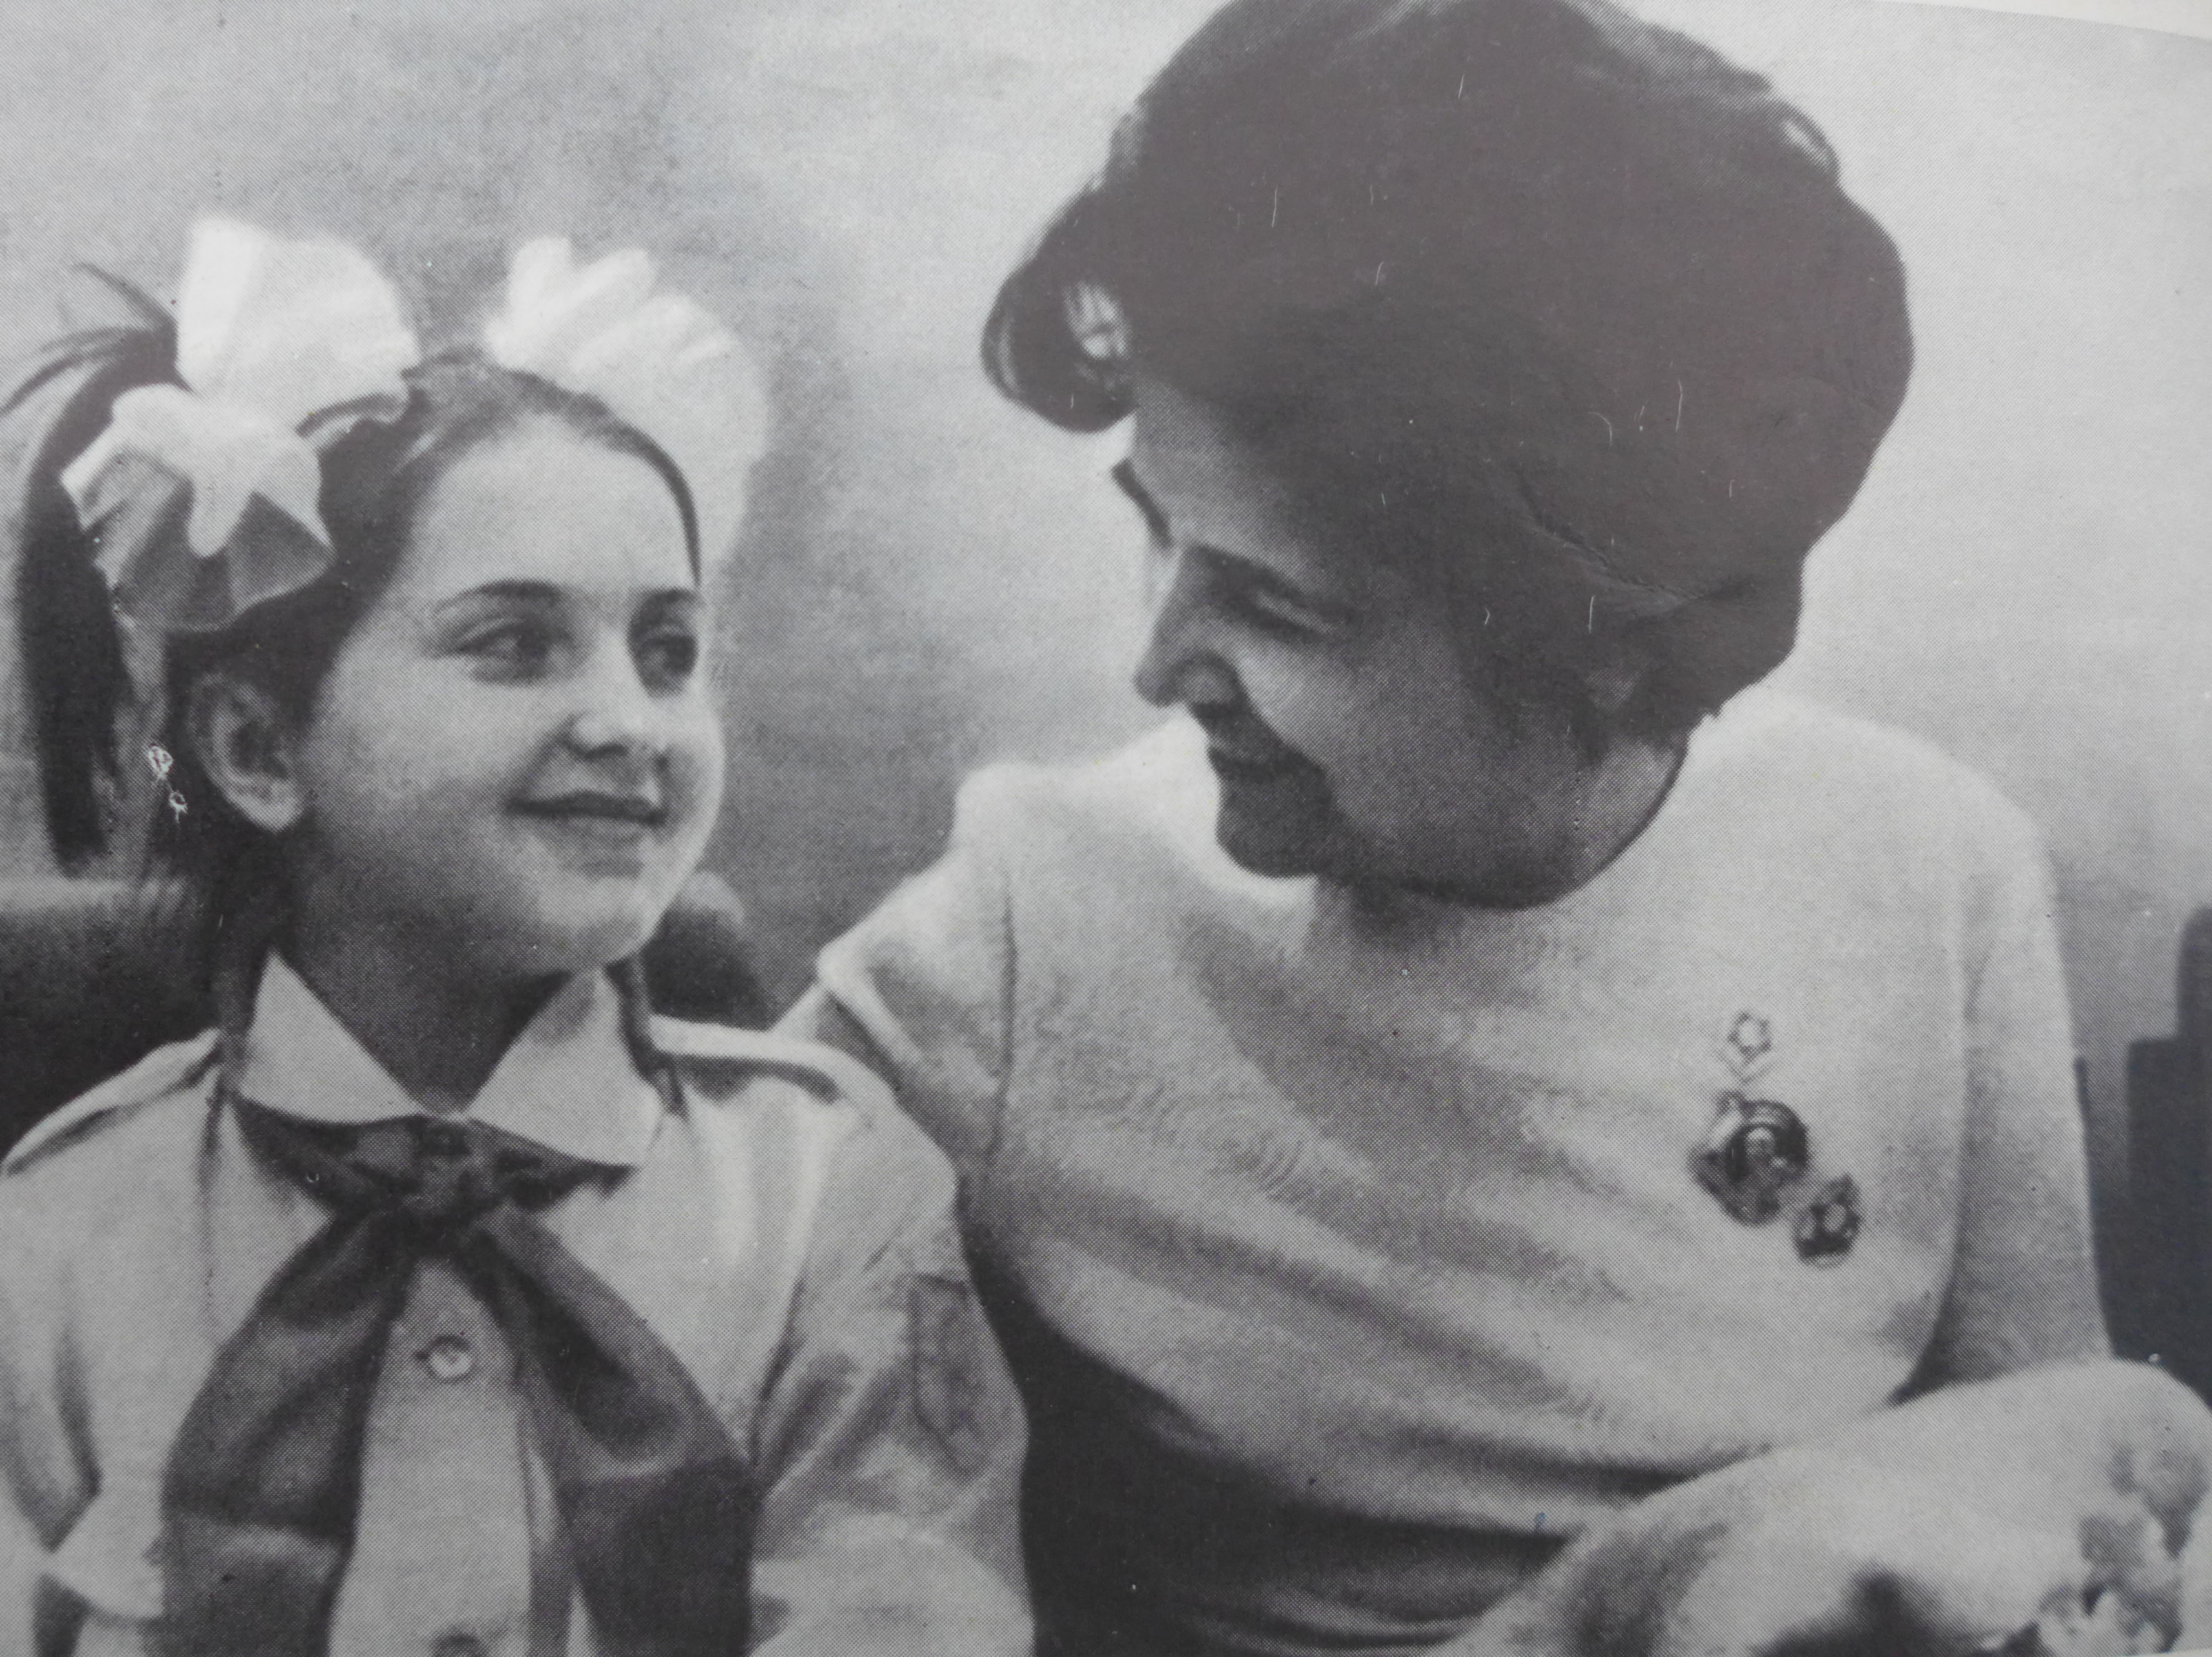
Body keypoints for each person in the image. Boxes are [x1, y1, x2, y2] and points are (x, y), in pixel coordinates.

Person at [775, 0, 2211, 1652]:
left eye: (1277, 607)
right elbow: (674, 1352)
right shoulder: (1022, 927)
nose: (1154, 666)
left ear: (1592, 642)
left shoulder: (1926, 872)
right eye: (1155, 531)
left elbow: (2054, 1500)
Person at [0, 217, 1028, 1657]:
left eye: (667, 651)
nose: (628, 721)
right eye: (512, 643)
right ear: (258, 750)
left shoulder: (827, 1194)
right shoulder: (54, 1245)